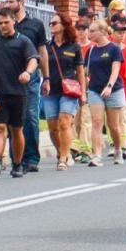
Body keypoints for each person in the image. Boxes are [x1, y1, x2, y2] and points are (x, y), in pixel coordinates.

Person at [0, 8, 37, 178]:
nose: (3, 26)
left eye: (6, 22)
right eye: (0, 23)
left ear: (14, 21)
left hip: (17, 93)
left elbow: (33, 60)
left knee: (16, 130)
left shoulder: (23, 41)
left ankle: (17, 163)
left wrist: (27, 73)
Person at [5, 0, 47, 172]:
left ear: (20, 2)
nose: (8, 5)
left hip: (30, 78)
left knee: (30, 116)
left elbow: (42, 53)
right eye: (6, 2)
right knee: (13, 119)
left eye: (11, 2)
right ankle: (16, 158)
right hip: (9, 79)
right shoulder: (4, 24)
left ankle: (31, 158)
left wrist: (47, 77)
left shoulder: (35, 25)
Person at [42, 12, 84, 171]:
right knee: (53, 127)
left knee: (64, 122)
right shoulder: (46, 47)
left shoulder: (74, 46)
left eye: (54, 23)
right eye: (50, 24)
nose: (51, 26)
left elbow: (80, 71)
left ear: (64, 25)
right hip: (50, 90)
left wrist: (83, 93)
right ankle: (62, 152)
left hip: (69, 90)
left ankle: (63, 158)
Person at [82, 19, 126, 165]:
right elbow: (86, 71)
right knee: (96, 121)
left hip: (113, 90)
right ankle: (96, 155)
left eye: (93, 31)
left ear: (102, 32)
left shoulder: (114, 49)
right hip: (95, 89)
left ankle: (118, 149)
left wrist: (109, 86)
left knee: (113, 125)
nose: (90, 33)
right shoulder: (91, 50)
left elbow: (116, 70)